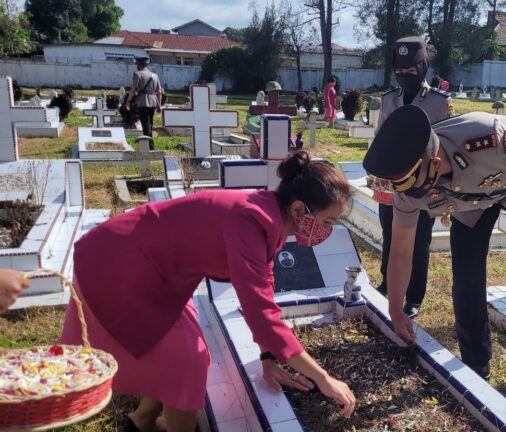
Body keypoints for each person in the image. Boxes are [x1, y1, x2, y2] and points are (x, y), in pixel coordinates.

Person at [61, 151, 356, 432]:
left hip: (155, 273)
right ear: (299, 209)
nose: (327, 231)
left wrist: (268, 357)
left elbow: (262, 290)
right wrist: (324, 379)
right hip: (119, 264)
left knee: (175, 353)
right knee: (187, 360)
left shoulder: (269, 219)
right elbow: (262, 314)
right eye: (327, 222)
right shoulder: (250, 219)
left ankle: (141, 422)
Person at [363, 105, 506, 380]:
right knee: (466, 277)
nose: (409, 194)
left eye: (414, 185)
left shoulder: (490, 136)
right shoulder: (407, 186)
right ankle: (476, 361)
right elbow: (401, 250)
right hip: (470, 205)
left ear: (435, 164)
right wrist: (395, 308)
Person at [371, 36, 450, 318]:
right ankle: (387, 283)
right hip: (391, 181)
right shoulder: (388, 99)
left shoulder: (440, 103)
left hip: (423, 182)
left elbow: (445, 143)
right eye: (400, 71)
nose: (404, 76)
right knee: (390, 234)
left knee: (420, 240)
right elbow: (381, 136)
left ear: (423, 67)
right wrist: (377, 173)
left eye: (411, 71)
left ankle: (415, 295)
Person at [126, 57, 162, 147]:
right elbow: (159, 92)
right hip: (153, 101)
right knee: (149, 124)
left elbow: (133, 89)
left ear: (138, 65)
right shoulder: (155, 75)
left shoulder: (138, 74)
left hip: (143, 101)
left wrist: (128, 101)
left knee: (146, 125)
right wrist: (159, 105)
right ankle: (150, 144)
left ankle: (150, 146)